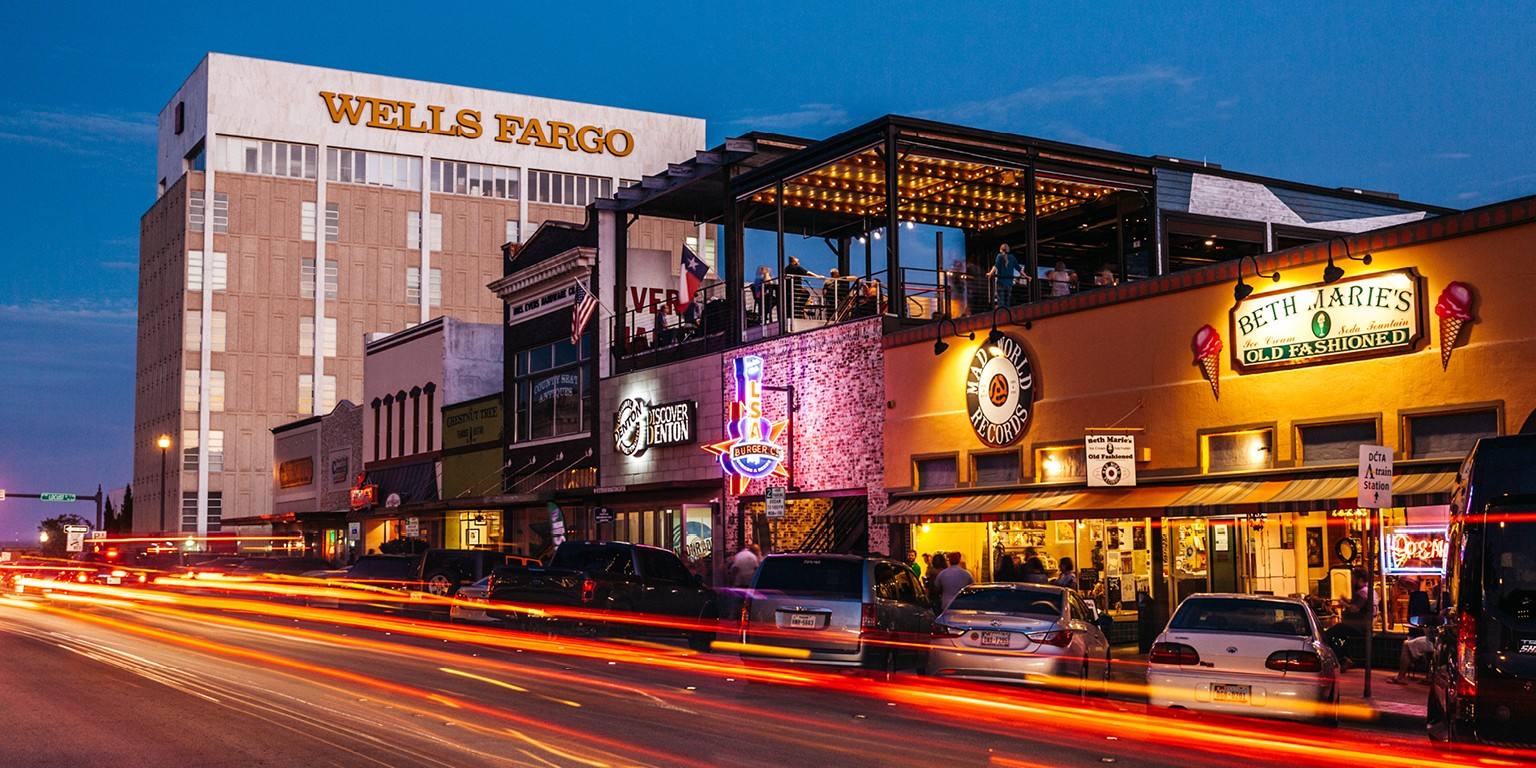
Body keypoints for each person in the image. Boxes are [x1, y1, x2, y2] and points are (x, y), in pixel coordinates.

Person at [986, 243, 1023, 309]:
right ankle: (1007, 317)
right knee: (1007, 303)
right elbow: (1019, 268)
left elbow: (995, 266)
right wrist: (1026, 276)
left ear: (1000, 250)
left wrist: (990, 273)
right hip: (1009, 283)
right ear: (1008, 250)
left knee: (1001, 303)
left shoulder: (999, 256)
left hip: (1001, 283)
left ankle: (1001, 316)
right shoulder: (1012, 257)